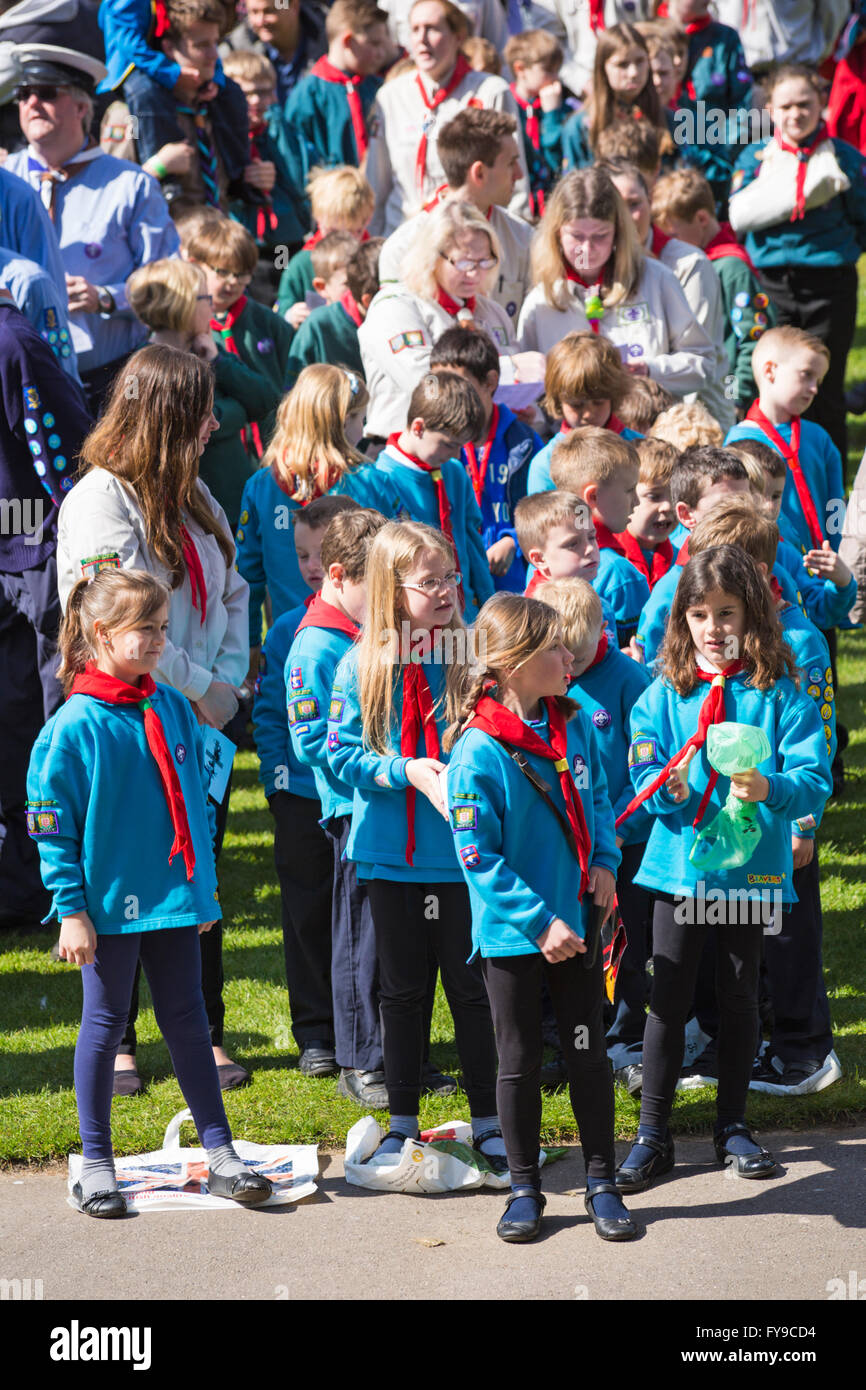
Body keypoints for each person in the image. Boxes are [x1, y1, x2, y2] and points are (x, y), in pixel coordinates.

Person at [27, 567, 272, 1216]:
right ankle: (97, 1163)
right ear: (101, 635)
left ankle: (220, 1153)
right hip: (108, 908)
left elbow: (194, 806)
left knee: (189, 1019)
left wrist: (204, 893)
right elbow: (51, 822)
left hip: (172, 899)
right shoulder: (74, 726)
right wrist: (71, 910)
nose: (161, 642)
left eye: (165, 628)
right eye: (147, 630)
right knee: (105, 1026)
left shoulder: (168, 705)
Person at [55, 344, 250, 1093]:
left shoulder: (194, 491)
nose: (213, 424)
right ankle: (124, 1038)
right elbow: (118, 621)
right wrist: (201, 685)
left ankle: (206, 1029)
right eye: (200, 411)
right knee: (123, 869)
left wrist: (223, 684)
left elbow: (232, 591)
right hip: (128, 719)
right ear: (167, 417)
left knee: (198, 873)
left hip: (200, 718)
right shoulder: (99, 502)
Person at [614, 545, 832, 1192]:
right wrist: (672, 788)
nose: (714, 628)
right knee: (670, 994)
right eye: (700, 614)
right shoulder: (662, 694)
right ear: (682, 618)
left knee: (740, 996)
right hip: (678, 872)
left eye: (728, 613)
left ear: (754, 614)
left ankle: (731, 1125)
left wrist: (774, 790)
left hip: (750, 872)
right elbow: (644, 772)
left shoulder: (781, 692)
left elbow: (813, 776)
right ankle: (653, 1134)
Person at [442, 591, 634, 1243]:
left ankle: (602, 1181)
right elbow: (477, 856)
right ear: (515, 663)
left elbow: (599, 795)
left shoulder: (573, 722)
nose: (568, 653)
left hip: (577, 921)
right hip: (514, 935)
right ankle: (524, 1189)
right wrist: (537, 922)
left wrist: (604, 859)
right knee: (519, 1060)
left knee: (588, 1055)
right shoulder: (478, 751)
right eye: (554, 646)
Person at [325, 519, 502, 1167]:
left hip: (461, 859)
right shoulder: (361, 665)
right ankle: (401, 1120)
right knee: (400, 992)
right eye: (432, 582)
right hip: (389, 862)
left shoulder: (471, 655)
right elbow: (339, 755)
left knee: (472, 991)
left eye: (453, 577)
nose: (449, 590)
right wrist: (404, 771)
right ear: (392, 590)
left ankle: (489, 1118)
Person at [5, 43, 180, 414]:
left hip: (109, 381)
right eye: (23, 94)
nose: (32, 103)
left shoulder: (131, 185)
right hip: (18, 376)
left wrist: (105, 297)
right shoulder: (5, 182)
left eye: (48, 93)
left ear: (83, 108)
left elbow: (170, 282)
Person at [285, 503, 389, 1105]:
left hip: (390, 807)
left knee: (396, 939)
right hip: (353, 810)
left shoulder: (364, 633)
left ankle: (398, 1051)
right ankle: (358, 1057)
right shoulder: (316, 645)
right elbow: (310, 743)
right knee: (360, 938)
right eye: (374, 588)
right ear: (340, 576)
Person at [537, 577, 652, 1091]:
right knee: (567, 946)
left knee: (627, 948)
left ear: (604, 631)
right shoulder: (539, 686)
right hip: (560, 848)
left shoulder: (629, 680)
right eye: (562, 655)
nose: (571, 668)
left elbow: (648, 770)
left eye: (580, 658)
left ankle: (627, 1045)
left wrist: (620, 833)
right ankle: (567, 1044)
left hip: (622, 846)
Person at [0, 295, 92, 931]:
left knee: (46, 715)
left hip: (33, 554)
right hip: (16, 552)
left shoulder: (16, 342)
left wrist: (62, 534)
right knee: (16, 717)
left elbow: (70, 454)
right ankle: (23, 886)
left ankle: (63, 886)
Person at [728, 63, 866, 462]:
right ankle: (770, 469)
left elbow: (861, 216)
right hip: (770, 286)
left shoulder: (844, 159)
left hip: (829, 287)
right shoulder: (755, 158)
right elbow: (739, 216)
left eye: (805, 104)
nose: (796, 114)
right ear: (770, 109)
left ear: (821, 103)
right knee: (770, 379)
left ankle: (827, 475)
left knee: (820, 383)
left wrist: (837, 251)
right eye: (785, 106)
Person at [516, 167, 717, 403]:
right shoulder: (541, 301)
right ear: (556, 234)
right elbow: (528, 394)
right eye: (576, 236)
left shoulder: (657, 279)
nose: (587, 250)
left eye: (600, 236)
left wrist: (650, 370)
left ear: (618, 233)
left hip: (647, 432)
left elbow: (704, 363)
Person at [235, 363, 396, 657]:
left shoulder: (260, 486)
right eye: (362, 418)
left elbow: (245, 581)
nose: (365, 427)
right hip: (365, 649)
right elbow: (397, 565)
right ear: (344, 422)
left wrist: (250, 647)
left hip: (291, 649)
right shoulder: (371, 483)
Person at [359, 199, 539, 441]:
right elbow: (427, 385)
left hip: (478, 452)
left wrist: (512, 411)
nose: (475, 273)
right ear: (432, 256)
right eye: (463, 263)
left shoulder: (492, 312)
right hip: (405, 450)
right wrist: (507, 372)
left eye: (485, 261)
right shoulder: (395, 306)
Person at [126, 256, 282, 530]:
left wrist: (218, 361)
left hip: (234, 504)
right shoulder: (147, 366)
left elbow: (265, 400)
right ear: (183, 306)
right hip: (191, 512)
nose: (212, 307)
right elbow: (175, 428)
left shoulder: (207, 351)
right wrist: (231, 411)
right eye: (204, 299)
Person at [365, 0, 529, 236]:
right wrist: (376, 245)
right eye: (415, 29)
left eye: (432, 28)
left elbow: (514, 181)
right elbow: (377, 183)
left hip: (468, 241)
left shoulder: (489, 91)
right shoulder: (390, 96)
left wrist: (514, 248)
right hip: (404, 236)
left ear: (458, 36)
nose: (422, 38)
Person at [602, 156, 732, 432]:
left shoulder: (687, 264)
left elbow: (699, 359)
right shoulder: (594, 268)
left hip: (691, 418)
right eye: (616, 207)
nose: (628, 216)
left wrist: (646, 369)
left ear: (650, 201)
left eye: (635, 203)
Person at [377, 107, 532, 330]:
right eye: (511, 163)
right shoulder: (402, 249)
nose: (519, 174)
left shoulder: (523, 239)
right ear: (479, 173)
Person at [650, 166, 777, 419]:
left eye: (673, 235)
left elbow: (752, 340)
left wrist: (735, 398)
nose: (669, 243)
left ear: (701, 219)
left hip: (723, 400)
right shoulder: (678, 264)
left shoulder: (731, 269)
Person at [96, 0, 251, 205]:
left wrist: (217, 78)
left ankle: (240, 178)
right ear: (169, 48)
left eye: (216, 43)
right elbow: (111, 198)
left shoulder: (207, 107)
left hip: (212, 230)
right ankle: (169, 183)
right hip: (132, 66)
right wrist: (157, 168)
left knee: (231, 92)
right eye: (202, 46)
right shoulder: (128, 117)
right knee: (145, 92)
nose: (214, 54)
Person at [371, 371, 495, 621]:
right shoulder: (380, 480)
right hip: (417, 626)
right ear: (418, 427)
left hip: (466, 616)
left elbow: (473, 544)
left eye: (462, 446)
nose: (456, 454)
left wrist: (489, 606)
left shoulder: (454, 472)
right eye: (449, 444)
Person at [429, 325, 542, 593]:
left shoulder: (523, 441)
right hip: (457, 584)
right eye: (440, 385)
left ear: (489, 383)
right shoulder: (438, 446)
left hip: (513, 585)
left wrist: (513, 541)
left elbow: (542, 509)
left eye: (458, 386)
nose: (447, 397)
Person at [182, 211, 293, 455]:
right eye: (222, 271)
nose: (233, 282)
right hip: (220, 456)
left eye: (242, 273)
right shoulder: (184, 330)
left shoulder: (269, 324)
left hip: (274, 451)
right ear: (194, 265)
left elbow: (287, 390)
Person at [548, 427, 648, 648]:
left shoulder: (544, 559)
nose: (637, 501)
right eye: (630, 490)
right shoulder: (620, 575)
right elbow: (641, 652)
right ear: (592, 496)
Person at [526, 331, 642, 495]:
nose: (588, 413)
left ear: (614, 396)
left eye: (598, 402)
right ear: (559, 401)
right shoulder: (546, 464)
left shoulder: (641, 450)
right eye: (577, 405)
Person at [284, 0, 390, 172]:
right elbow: (298, 163)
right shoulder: (307, 96)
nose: (382, 53)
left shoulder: (380, 88)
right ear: (348, 41)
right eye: (375, 43)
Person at [561, 23, 673, 172]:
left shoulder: (667, 119)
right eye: (622, 64)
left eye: (640, 61)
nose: (633, 72)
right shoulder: (580, 126)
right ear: (603, 68)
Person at [275, 165, 375, 323]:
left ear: (367, 220)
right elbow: (280, 313)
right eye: (333, 233)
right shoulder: (302, 264)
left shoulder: (375, 259)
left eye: (352, 232)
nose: (342, 243)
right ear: (318, 218)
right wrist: (290, 316)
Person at [287, 236, 383, 384]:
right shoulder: (317, 325)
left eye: (360, 279)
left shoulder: (379, 315)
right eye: (348, 283)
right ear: (321, 287)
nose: (356, 288)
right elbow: (293, 385)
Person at [504, 28, 565, 220]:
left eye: (557, 70)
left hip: (549, 205)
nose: (555, 78)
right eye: (548, 70)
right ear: (520, 69)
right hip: (517, 206)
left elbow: (554, 162)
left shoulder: (555, 105)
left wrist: (551, 116)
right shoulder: (506, 103)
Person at [220, 0, 328, 106]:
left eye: (269, 11)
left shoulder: (331, 41)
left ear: (294, 6)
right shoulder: (233, 49)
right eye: (254, 12)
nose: (260, 21)